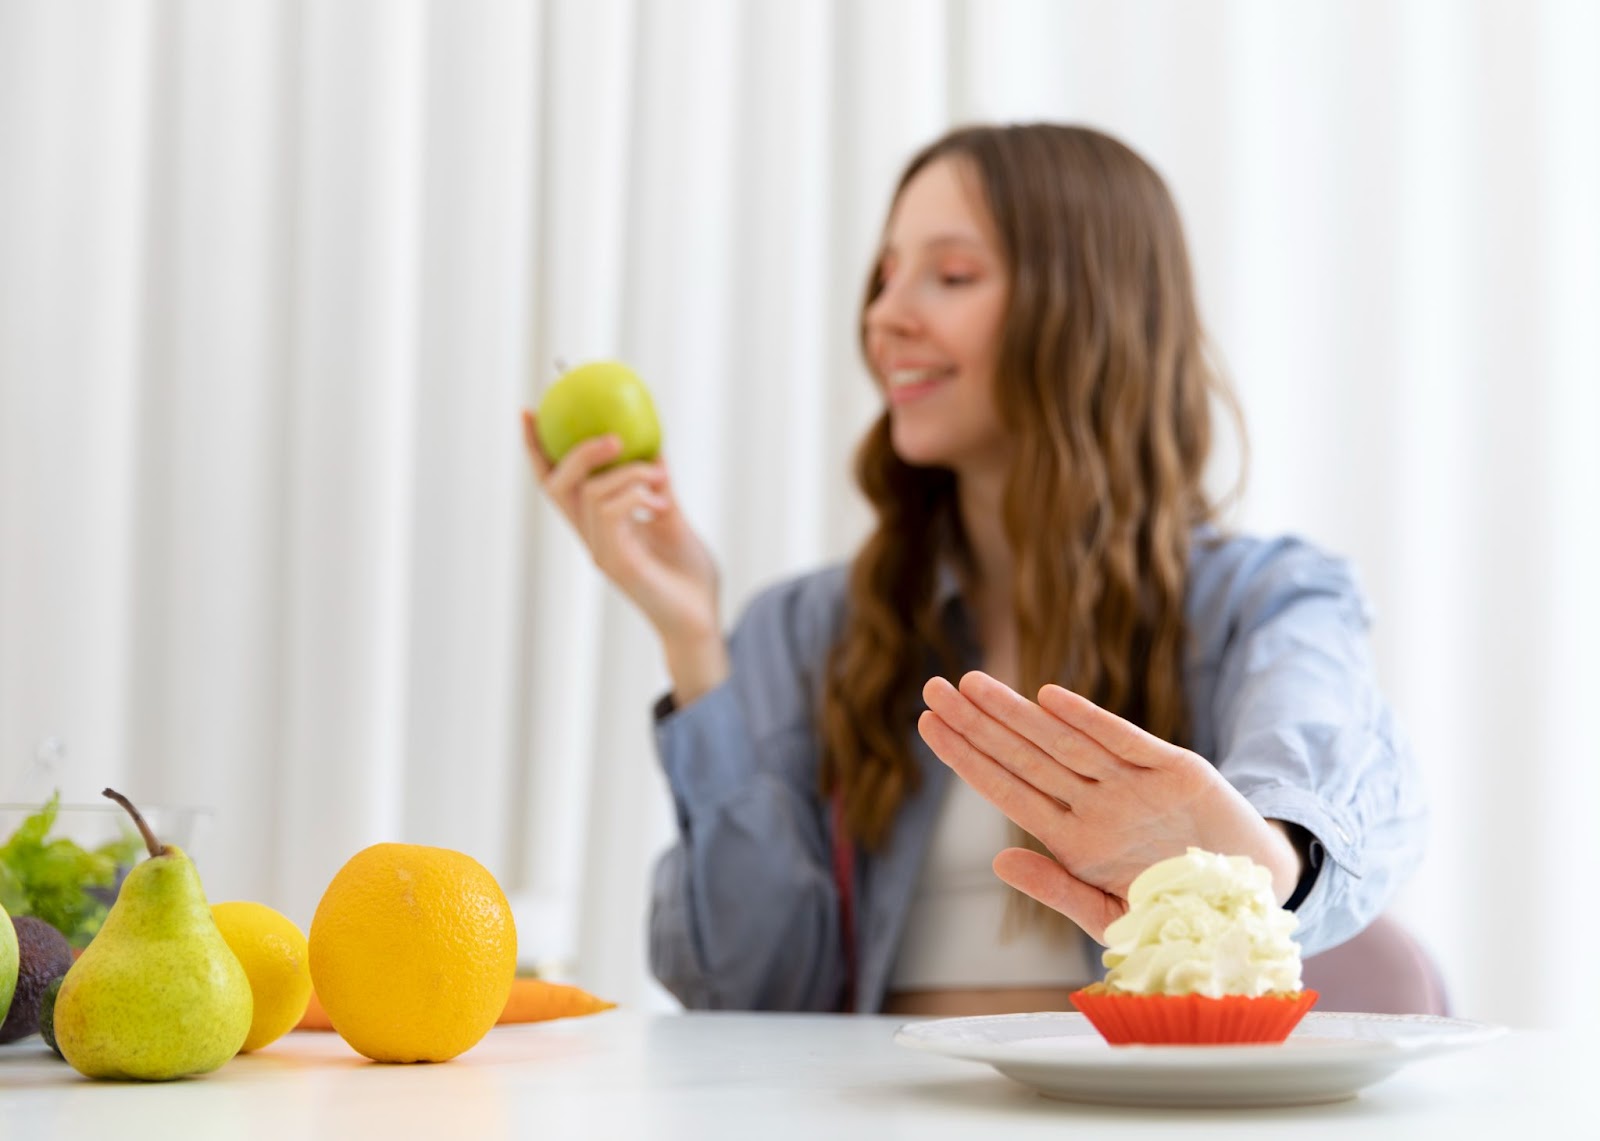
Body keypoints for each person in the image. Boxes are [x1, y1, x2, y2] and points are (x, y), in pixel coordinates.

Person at [521, 123, 1426, 1016]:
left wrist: (1262, 864)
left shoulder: (1268, 601)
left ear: (1088, 311)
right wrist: (690, 641)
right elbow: (749, 993)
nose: (884, 315)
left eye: (950, 276)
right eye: (884, 277)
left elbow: (1325, 752)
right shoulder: (803, 630)